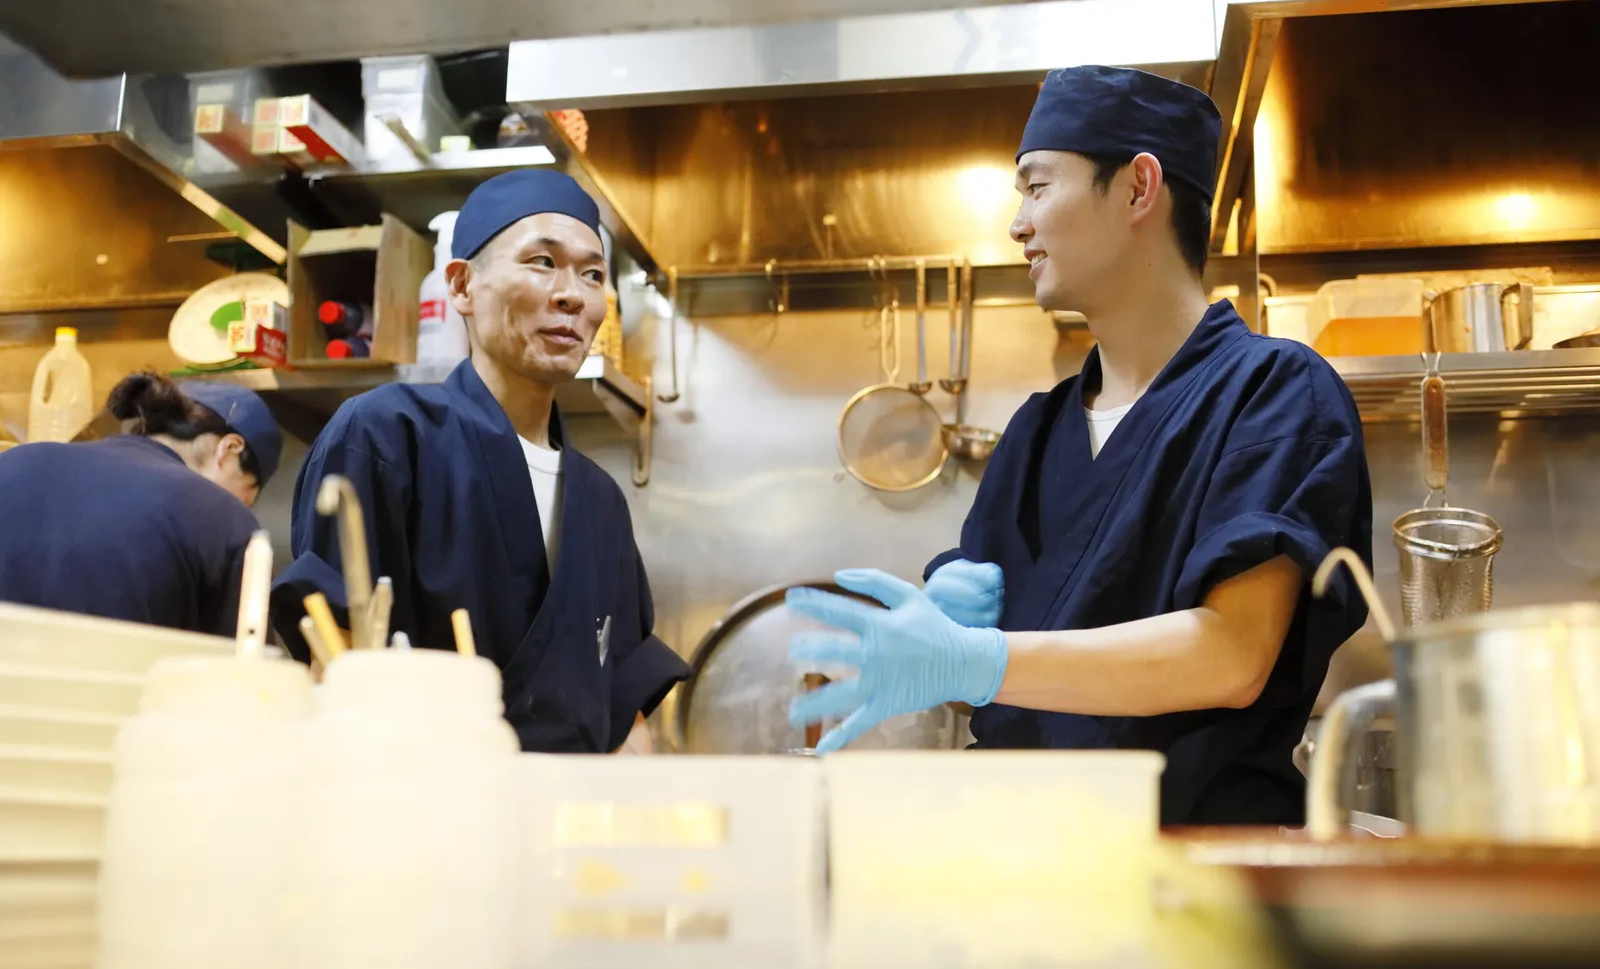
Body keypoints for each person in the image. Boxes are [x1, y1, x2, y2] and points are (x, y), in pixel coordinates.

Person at [787, 66, 1373, 826]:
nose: (1017, 225)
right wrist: (943, 645)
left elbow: (1231, 656)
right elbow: (993, 691)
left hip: (1194, 861)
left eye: (1037, 187)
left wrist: (980, 658)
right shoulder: (1035, 433)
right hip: (1018, 853)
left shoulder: (1273, 391)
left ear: (1137, 189)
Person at [271, 169, 690, 755]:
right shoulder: (389, 434)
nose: (572, 293)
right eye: (542, 262)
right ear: (462, 286)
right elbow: (334, 663)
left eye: (592, 274)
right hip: (424, 798)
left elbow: (623, 716)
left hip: (571, 808)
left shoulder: (599, 500)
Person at [0, 372, 281, 633]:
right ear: (230, 449)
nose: (243, 506)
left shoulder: (15, 462)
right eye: (249, 494)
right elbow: (241, 664)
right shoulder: (220, 514)